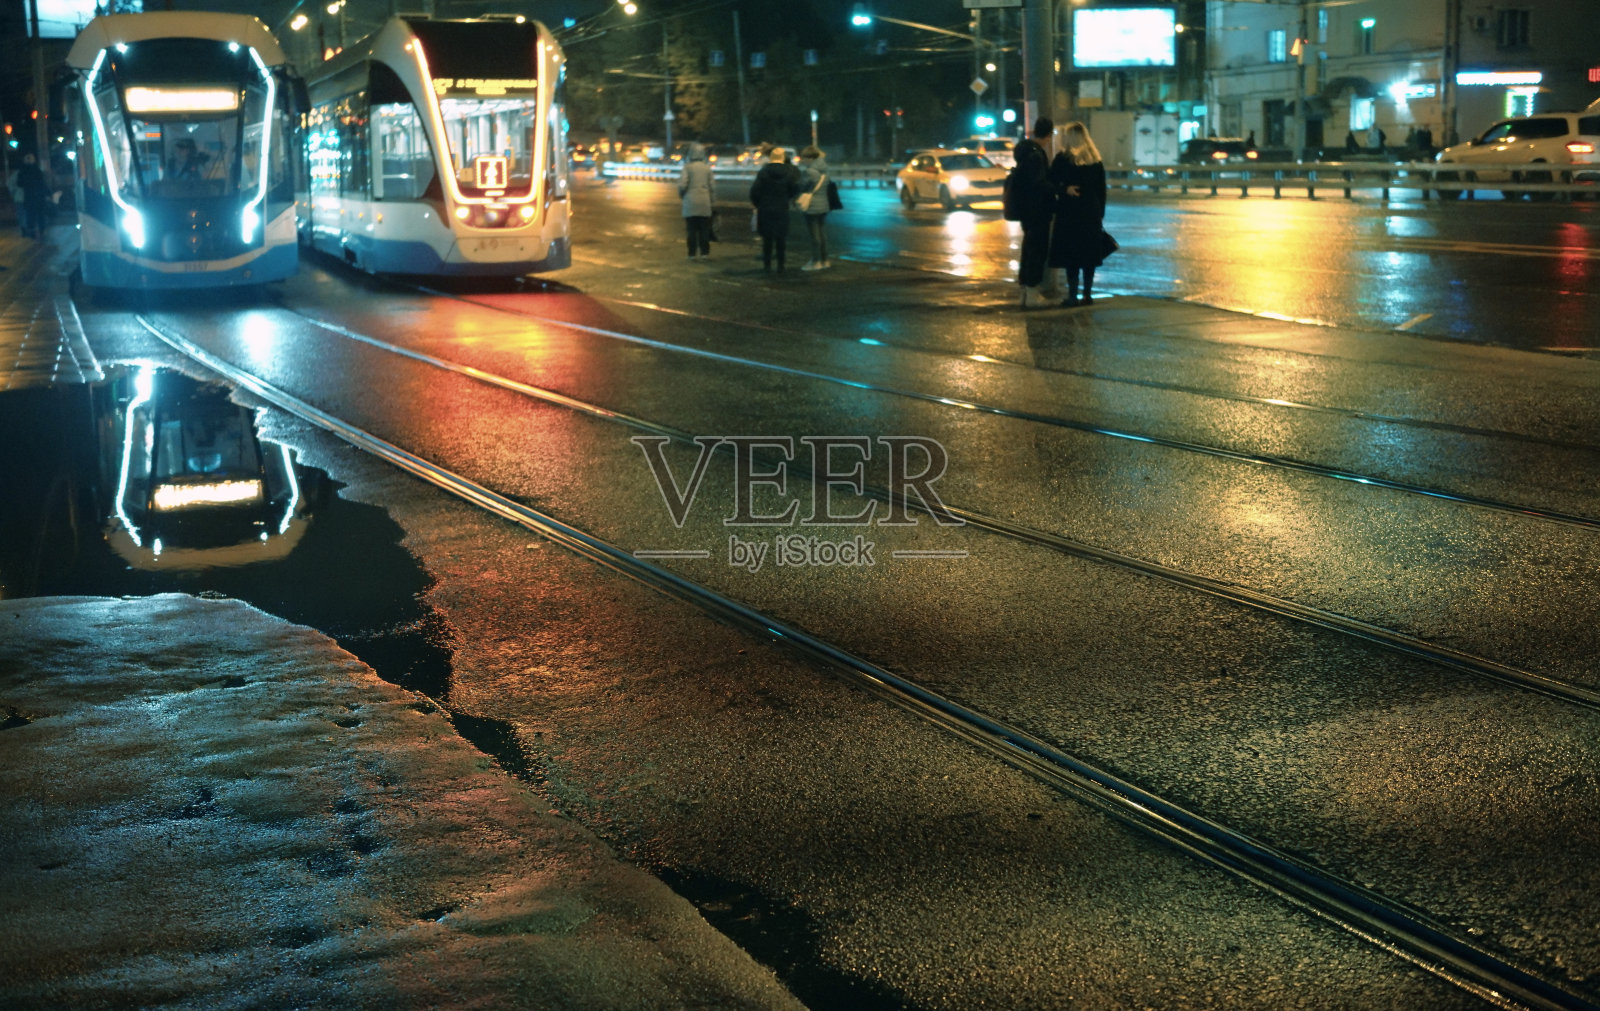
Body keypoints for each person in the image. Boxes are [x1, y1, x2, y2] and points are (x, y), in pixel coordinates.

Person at [1046, 121, 1108, 307]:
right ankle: (1087, 295)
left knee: (1071, 255)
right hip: (1091, 212)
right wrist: (1100, 213)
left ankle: (1072, 295)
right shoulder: (1095, 160)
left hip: (1070, 213)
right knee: (1088, 254)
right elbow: (1101, 190)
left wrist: (1065, 189)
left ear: (1069, 138)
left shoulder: (1063, 159)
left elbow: (1051, 182)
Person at [1012, 116, 1056, 308]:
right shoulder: (1037, 155)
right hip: (1038, 209)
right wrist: (1059, 189)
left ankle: (1024, 292)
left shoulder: (1024, 151)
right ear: (1048, 134)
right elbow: (1039, 184)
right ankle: (1032, 292)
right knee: (1037, 250)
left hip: (1025, 210)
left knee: (1028, 249)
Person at [749, 146, 800, 272]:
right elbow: (794, 189)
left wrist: (758, 204)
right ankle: (781, 265)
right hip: (782, 208)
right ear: (783, 158)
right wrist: (787, 199)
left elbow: (754, 192)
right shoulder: (789, 172)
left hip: (765, 208)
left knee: (767, 239)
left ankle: (767, 265)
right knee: (781, 238)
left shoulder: (763, 171)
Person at [796, 145, 833, 270]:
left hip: (812, 207)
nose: (803, 160)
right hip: (824, 205)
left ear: (811, 158)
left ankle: (816, 261)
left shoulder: (809, 172)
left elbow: (803, 187)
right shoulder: (825, 171)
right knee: (822, 234)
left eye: (804, 158)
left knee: (814, 236)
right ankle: (825, 260)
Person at [677, 142, 715, 260]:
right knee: (704, 228)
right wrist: (712, 201)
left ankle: (692, 254)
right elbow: (712, 186)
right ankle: (705, 253)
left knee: (691, 229)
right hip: (704, 201)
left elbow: (682, 185)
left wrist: (682, 195)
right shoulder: (707, 168)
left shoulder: (687, 168)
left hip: (690, 201)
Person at [16, 153, 51, 240]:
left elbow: (19, 183)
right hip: (39, 196)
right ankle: (41, 231)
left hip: (29, 196)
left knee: (30, 215)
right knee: (40, 215)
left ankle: (32, 232)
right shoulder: (37, 170)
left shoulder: (22, 171)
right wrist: (48, 193)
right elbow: (42, 183)